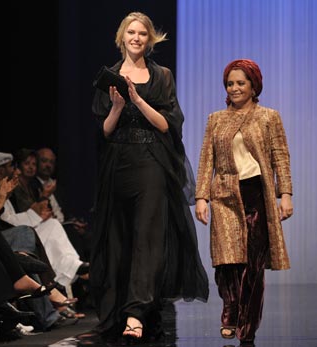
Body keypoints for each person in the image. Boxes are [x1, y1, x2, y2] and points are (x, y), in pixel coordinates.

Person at [90, 11, 209, 343]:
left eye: (143, 33)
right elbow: (104, 131)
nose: (137, 38)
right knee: (119, 238)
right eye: (131, 32)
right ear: (121, 36)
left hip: (152, 163)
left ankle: (136, 313)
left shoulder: (161, 76)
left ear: (150, 39)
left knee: (149, 238)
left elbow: (168, 125)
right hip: (118, 164)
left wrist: (137, 100)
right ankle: (119, 309)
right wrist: (115, 107)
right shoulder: (109, 76)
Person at [194, 59, 293, 347]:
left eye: (241, 83)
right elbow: (206, 161)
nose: (235, 88)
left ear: (253, 85)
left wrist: (284, 194)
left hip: (257, 196)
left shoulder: (268, 117)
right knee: (227, 263)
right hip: (224, 196)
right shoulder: (216, 119)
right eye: (230, 83)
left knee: (253, 265)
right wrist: (202, 197)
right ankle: (231, 309)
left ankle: (247, 326)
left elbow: (280, 158)